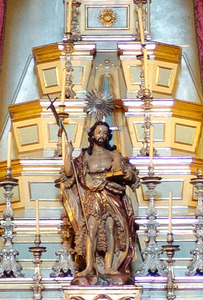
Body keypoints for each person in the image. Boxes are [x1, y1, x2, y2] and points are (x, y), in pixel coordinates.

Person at [57, 116, 141, 285]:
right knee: (92, 228)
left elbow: (123, 173)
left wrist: (118, 175)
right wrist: (67, 153)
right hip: (92, 195)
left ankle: (109, 266)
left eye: (104, 132)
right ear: (92, 135)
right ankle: (89, 266)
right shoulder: (85, 156)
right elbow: (69, 173)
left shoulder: (114, 155)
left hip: (111, 194)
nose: (101, 135)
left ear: (108, 136)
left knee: (111, 228)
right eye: (98, 132)